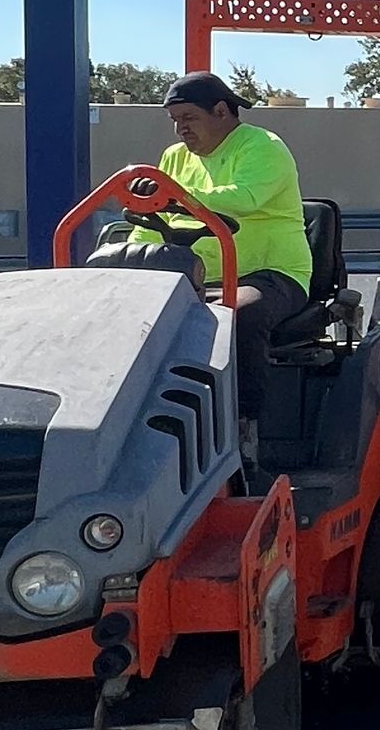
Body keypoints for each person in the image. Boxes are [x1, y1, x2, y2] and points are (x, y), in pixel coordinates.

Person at [130, 73, 313, 467]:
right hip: (196, 275)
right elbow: (148, 220)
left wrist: (173, 194)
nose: (181, 128)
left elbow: (244, 198)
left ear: (221, 111)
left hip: (270, 273)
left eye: (189, 118)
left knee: (237, 316)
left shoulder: (263, 147)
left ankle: (244, 431)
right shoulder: (173, 158)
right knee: (132, 312)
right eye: (175, 120)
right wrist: (130, 254)